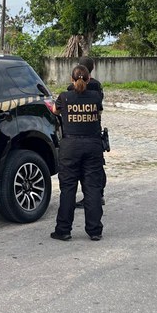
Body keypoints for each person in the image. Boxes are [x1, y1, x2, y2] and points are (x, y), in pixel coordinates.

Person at [50, 64, 106, 241]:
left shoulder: (64, 97)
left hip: (70, 148)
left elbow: (55, 111)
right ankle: (95, 231)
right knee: (93, 189)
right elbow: (99, 113)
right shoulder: (95, 96)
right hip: (93, 146)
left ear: (71, 80)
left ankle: (63, 230)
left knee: (68, 189)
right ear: (89, 79)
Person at [67, 56, 106, 208]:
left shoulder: (70, 89)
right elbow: (100, 108)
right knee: (96, 166)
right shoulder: (97, 86)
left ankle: (87, 197)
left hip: (76, 132)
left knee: (81, 168)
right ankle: (98, 195)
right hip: (94, 130)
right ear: (92, 69)